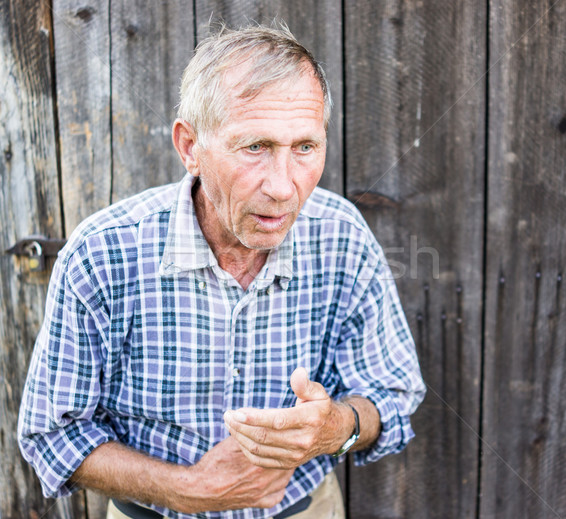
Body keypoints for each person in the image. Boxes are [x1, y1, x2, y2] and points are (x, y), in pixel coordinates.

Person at [18, 24, 425, 519]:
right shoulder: (101, 253)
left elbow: (393, 394)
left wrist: (339, 426)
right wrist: (185, 488)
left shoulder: (341, 234)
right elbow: (52, 433)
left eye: (304, 147)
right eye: (254, 146)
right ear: (190, 146)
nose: (282, 187)